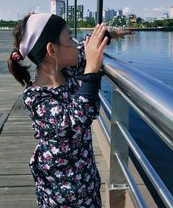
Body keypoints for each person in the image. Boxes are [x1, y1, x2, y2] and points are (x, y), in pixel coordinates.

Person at [8, 13, 128, 207]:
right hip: (60, 191)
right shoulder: (37, 97)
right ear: (52, 50)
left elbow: (84, 50)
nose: (76, 42)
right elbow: (77, 118)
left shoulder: (67, 71)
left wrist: (107, 34)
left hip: (85, 183)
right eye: (70, 37)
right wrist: (91, 70)